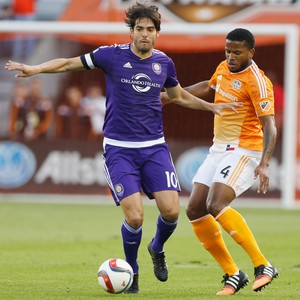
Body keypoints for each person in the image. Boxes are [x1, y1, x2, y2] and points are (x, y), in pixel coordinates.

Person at [4, 2, 241, 294]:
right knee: (136, 216)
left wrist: (211, 107)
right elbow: (68, 63)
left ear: (157, 33)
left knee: (171, 212)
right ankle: (132, 273)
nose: (144, 34)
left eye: (150, 29)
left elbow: (177, 96)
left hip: (154, 148)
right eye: (139, 29)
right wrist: (36, 68)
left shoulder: (164, 63)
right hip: (119, 149)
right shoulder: (110, 56)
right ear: (132, 32)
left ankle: (157, 247)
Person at [164, 28, 278, 296]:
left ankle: (263, 265)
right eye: (227, 51)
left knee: (216, 203)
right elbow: (209, 85)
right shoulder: (224, 67)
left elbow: (270, 125)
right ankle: (232, 273)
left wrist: (264, 163)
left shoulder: (258, 82)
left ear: (251, 52)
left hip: (244, 150)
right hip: (218, 149)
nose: (231, 56)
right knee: (194, 209)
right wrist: (171, 96)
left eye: (237, 52)